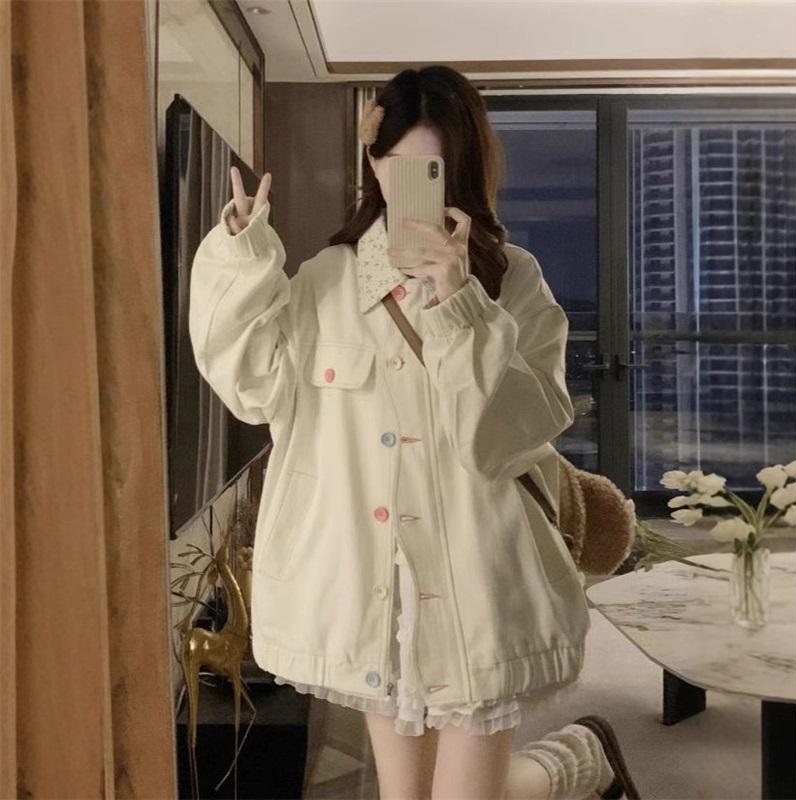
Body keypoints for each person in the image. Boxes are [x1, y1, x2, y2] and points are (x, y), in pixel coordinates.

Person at [189, 65, 640, 800]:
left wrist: (458, 303)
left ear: (464, 168)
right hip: (374, 589)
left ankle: (575, 761)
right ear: (373, 163)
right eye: (400, 167)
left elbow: (507, 435)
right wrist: (240, 255)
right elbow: (250, 388)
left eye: (435, 168)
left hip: (477, 580)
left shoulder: (511, 279)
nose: (416, 189)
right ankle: (580, 759)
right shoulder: (326, 281)